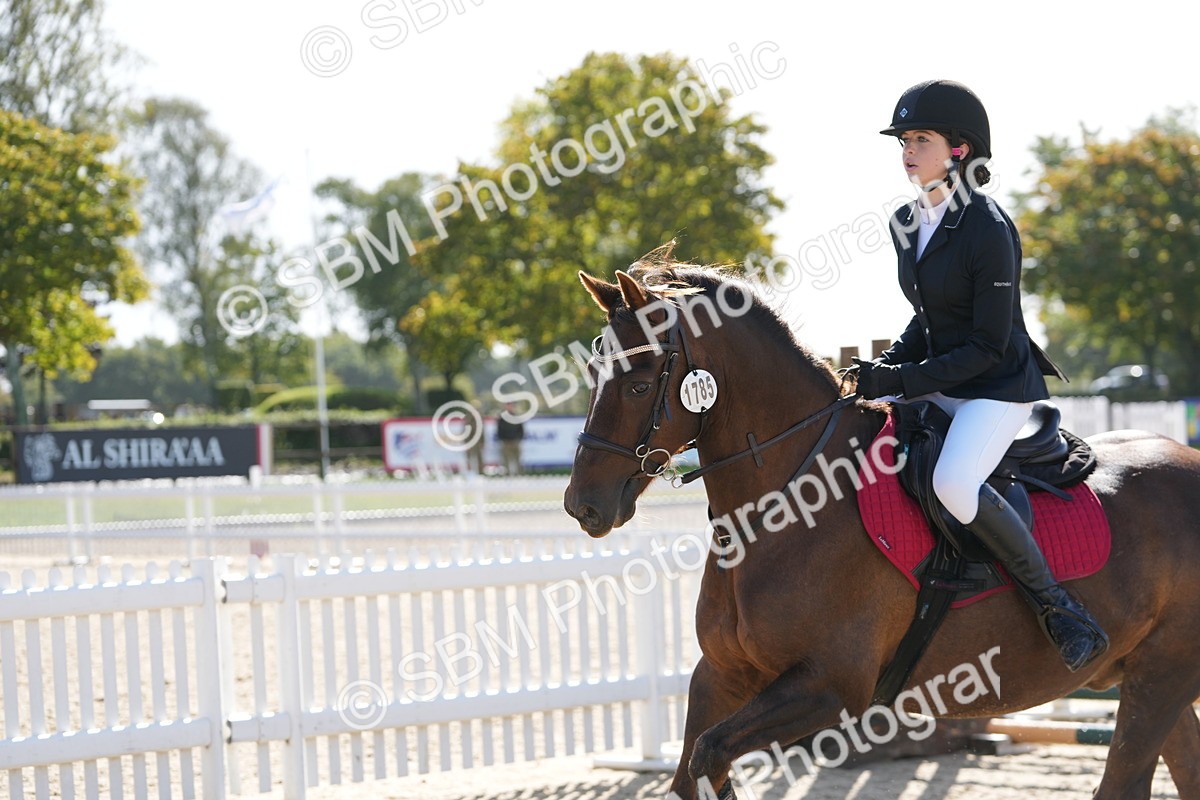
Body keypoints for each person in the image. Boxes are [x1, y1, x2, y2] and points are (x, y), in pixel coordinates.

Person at [854, 79, 1108, 672]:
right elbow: (929, 320)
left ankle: (1056, 606)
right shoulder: (906, 221)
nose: (907, 149)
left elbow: (988, 347)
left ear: (959, 150)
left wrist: (903, 380)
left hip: (996, 389)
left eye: (920, 138)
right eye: (904, 139)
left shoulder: (988, 228)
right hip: (945, 380)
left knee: (952, 482)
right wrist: (886, 366)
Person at [496, 402, 525, 476]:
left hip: (515, 441)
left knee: (517, 458)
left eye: (510, 406)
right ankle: (507, 474)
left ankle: (519, 474)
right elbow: (499, 430)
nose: (509, 407)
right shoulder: (502, 418)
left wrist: (518, 438)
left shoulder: (516, 417)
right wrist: (502, 439)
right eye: (507, 406)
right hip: (506, 442)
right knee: (506, 459)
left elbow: (521, 429)